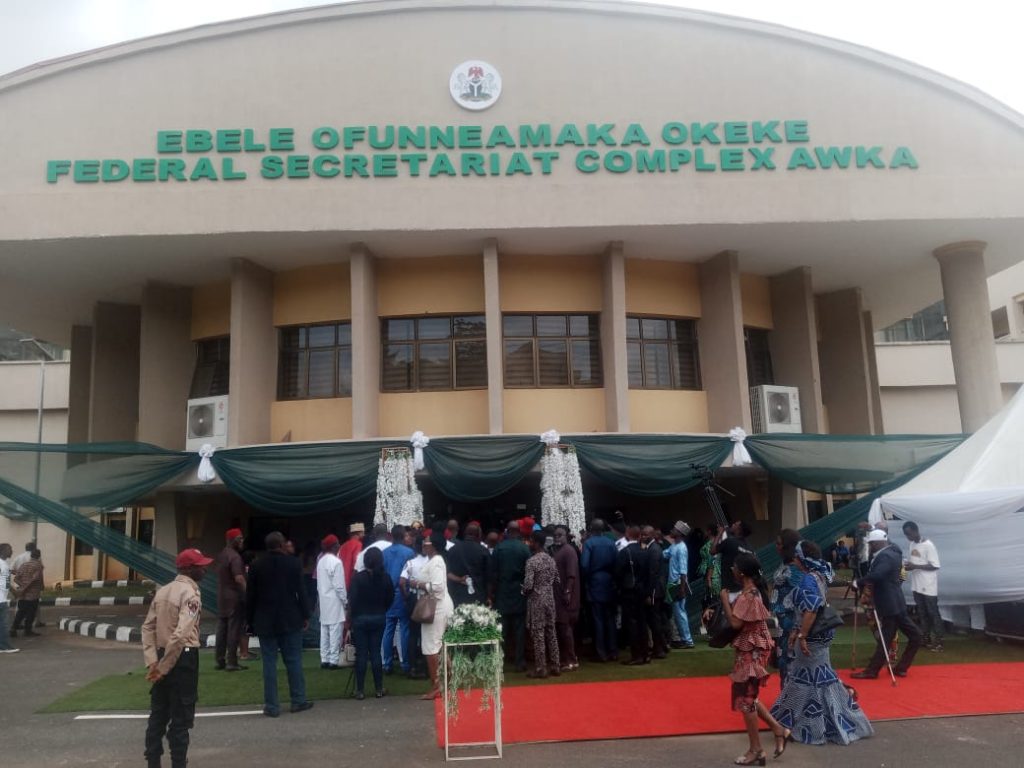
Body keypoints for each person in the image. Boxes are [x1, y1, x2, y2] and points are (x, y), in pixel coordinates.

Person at [769, 541, 873, 745]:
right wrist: (798, 632)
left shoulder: (809, 579)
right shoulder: (821, 574)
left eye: (796, 557)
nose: (794, 560)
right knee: (816, 676)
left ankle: (811, 726)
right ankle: (819, 720)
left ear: (800, 559)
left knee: (808, 678)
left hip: (812, 635)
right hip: (820, 633)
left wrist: (802, 635)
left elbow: (812, 608)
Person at [142, 548, 212, 768]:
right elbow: (181, 634)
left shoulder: (163, 591)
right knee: (181, 718)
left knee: (158, 714)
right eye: (201, 566)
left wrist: (153, 661)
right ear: (189, 569)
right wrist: (164, 667)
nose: (205, 569)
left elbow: (147, 627)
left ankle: (153, 762)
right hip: (183, 659)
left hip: (163, 655)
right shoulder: (191, 594)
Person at [720, 552, 790, 766]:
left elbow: (735, 624)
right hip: (751, 649)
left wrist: (724, 600)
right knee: (748, 697)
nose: (731, 570)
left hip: (753, 650)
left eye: (733, 567)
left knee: (746, 700)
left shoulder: (749, 595)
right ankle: (779, 730)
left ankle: (756, 750)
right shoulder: (750, 592)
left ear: (741, 572)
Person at [246, 531, 314, 717]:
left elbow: (250, 596)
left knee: (269, 663)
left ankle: (272, 705)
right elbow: (301, 591)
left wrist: (249, 621)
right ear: (282, 544)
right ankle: (298, 700)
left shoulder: (256, 565)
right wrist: (306, 614)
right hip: (290, 617)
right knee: (293, 661)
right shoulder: (293, 563)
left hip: (265, 619)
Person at [851, 529, 923, 680]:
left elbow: (878, 575)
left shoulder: (885, 556)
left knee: (886, 639)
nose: (870, 547)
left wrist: (859, 582)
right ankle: (899, 668)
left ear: (877, 543)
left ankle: (873, 671)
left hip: (890, 604)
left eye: (871, 544)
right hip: (895, 603)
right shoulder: (892, 553)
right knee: (913, 636)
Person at [408, 530, 454, 699]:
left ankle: (438, 686)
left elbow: (438, 587)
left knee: (430, 647)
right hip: (438, 606)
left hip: (436, 607)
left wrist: (418, 584)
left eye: (426, 541)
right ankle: (446, 681)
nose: (423, 543)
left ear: (433, 546)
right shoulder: (434, 560)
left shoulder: (436, 562)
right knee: (439, 645)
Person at [348, 546, 394, 699]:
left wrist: (350, 618)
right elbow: (390, 598)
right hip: (378, 616)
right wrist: (382, 609)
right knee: (375, 653)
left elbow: (352, 601)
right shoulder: (385, 578)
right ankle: (379, 688)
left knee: (361, 654)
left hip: (360, 618)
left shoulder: (358, 578)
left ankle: (360, 690)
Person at [489, 520, 531, 672]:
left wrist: (492, 593)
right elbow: (529, 572)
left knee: (502, 628)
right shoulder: (524, 549)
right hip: (519, 591)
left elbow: (493, 573)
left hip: (502, 591)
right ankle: (520, 661)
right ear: (518, 532)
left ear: (507, 531)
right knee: (519, 629)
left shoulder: (499, 548)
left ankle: (500, 661)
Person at [523, 530, 560, 678]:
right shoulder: (551, 560)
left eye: (531, 541)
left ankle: (541, 668)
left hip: (537, 600)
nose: (529, 544)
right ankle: (556, 665)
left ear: (536, 542)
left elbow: (528, 585)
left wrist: (524, 591)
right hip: (550, 599)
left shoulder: (532, 561)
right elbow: (557, 580)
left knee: (538, 634)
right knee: (551, 632)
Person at [581, 518, 619, 662]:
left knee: (598, 619)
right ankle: (613, 651)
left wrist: (587, 579)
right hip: (609, 581)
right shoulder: (611, 543)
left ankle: (601, 652)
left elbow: (584, 565)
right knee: (610, 619)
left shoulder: (589, 543)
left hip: (595, 581)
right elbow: (617, 562)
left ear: (591, 528)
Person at [902, 521, 943, 651]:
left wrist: (915, 566)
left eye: (909, 534)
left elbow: (935, 565)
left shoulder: (928, 545)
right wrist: (908, 566)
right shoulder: (912, 544)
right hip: (917, 584)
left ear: (915, 531)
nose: (908, 537)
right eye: (906, 535)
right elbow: (915, 562)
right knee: (922, 612)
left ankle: (939, 642)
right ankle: (925, 638)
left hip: (928, 584)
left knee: (932, 612)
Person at [769, 529, 803, 685]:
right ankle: (786, 696)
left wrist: (797, 626)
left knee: (789, 659)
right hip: (780, 620)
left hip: (791, 620)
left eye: (779, 544)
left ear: (787, 546)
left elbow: (800, 596)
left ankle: (792, 698)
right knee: (782, 658)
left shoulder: (796, 569)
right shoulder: (784, 563)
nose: (776, 546)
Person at [381, 525, 414, 675]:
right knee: (405, 628)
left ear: (392, 536)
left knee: (388, 629)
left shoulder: (384, 553)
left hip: (387, 593)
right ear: (403, 536)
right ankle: (405, 663)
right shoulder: (409, 552)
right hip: (402, 592)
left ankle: (387, 663)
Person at [214, 528, 247, 671]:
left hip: (222, 596)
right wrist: (248, 593)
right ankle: (232, 662)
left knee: (222, 627)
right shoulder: (235, 557)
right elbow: (239, 578)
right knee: (234, 628)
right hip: (233, 596)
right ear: (232, 540)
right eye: (239, 539)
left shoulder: (222, 554)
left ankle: (220, 659)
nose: (242, 541)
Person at [617, 525, 648, 665]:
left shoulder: (625, 552)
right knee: (642, 622)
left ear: (628, 534)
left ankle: (636, 655)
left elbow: (617, 572)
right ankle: (645, 653)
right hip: (642, 590)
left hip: (629, 591)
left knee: (632, 623)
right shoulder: (644, 551)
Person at [316, 534, 347, 670]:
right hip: (334, 600)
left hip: (323, 598)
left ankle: (324, 658)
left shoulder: (321, 561)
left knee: (325, 629)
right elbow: (339, 585)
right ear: (334, 546)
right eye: (337, 544)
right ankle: (333, 660)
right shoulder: (336, 562)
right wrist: (345, 601)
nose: (339, 546)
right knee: (335, 630)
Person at [552, 525, 580, 671]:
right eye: (555, 535)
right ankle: (566, 658)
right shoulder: (559, 550)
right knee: (563, 627)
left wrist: (568, 591)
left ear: (567, 536)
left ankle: (571, 659)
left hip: (567, 596)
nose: (557, 537)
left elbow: (571, 575)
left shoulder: (568, 551)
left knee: (565, 627)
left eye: (560, 535)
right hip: (560, 595)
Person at [664, 521, 695, 649]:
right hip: (673, 583)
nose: (672, 531)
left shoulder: (681, 548)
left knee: (680, 613)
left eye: (674, 529)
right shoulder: (674, 546)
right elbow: (664, 554)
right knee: (677, 613)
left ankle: (687, 640)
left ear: (679, 533)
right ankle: (683, 639)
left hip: (677, 584)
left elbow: (683, 571)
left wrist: (682, 589)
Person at [640, 525, 668, 660]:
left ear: (651, 535)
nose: (643, 536)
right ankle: (661, 646)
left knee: (654, 621)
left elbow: (653, 574)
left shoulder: (654, 550)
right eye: (642, 534)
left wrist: (649, 594)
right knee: (655, 620)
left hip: (655, 591)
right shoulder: (652, 548)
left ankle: (659, 649)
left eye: (645, 534)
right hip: (656, 590)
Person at [447, 522, 489, 607]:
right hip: (478, 595)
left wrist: (458, 579)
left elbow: (447, 572)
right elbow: (489, 576)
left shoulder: (452, 550)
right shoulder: (483, 551)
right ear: (478, 535)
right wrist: (489, 596)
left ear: (465, 534)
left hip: (457, 595)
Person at [11, 548, 44, 637]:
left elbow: (16, 578)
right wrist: (27, 588)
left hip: (22, 594)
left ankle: (13, 628)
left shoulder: (24, 565)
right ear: (39, 556)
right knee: (31, 613)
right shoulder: (38, 565)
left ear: (31, 555)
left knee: (20, 612)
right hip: (33, 594)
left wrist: (22, 586)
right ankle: (28, 630)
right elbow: (35, 579)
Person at [0, 543, 19, 653]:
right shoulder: (1, 564)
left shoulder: (4, 564)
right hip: (0, 600)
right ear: (2, 551)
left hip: (2, 598)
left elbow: (5, 582)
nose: (11, 550)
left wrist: (15, 593)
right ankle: (4, 646)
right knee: (3, 624)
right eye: (9, 549)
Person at [340, 522, 365, 589]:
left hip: (342, 579)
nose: (364, 534)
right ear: (358, 533)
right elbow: (356, 563)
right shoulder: (358, 544)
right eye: (362, 532)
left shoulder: (343, 545)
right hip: (351, 580)